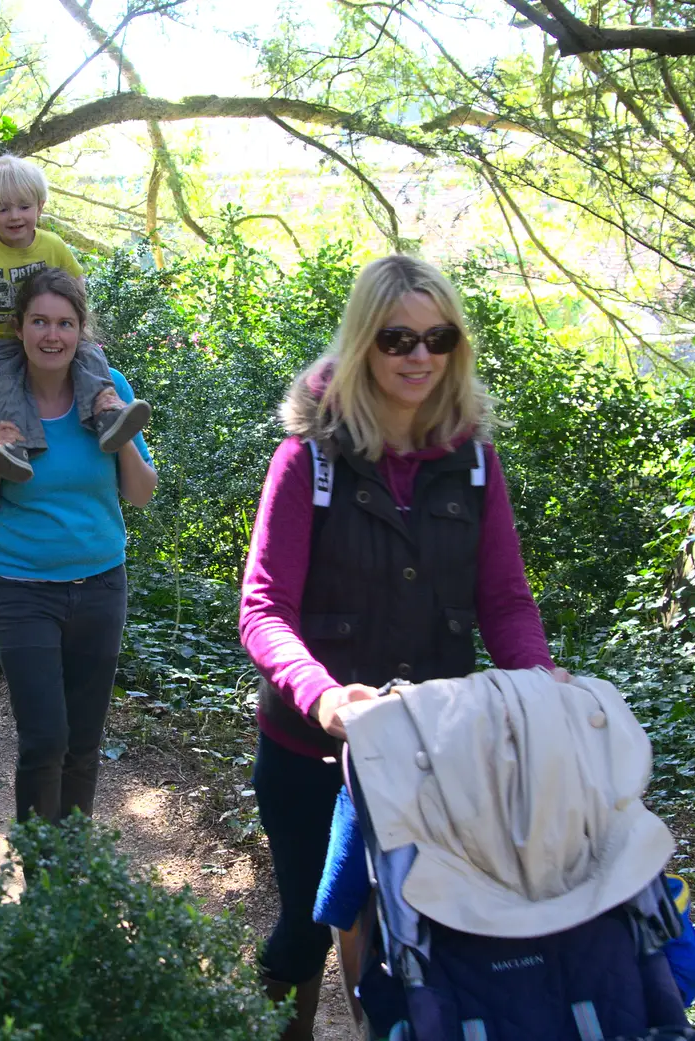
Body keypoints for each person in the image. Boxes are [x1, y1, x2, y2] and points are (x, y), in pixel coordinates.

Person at [237, 254, 566, 1039]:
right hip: (310, 752)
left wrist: (542, 687)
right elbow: (264, 606)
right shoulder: (309, 457)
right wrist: (322, 696)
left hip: (435, 746)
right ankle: (280, 1020)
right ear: (363, 343)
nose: (419, 355)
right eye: (397, 338)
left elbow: (505, 600)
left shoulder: (474, 463)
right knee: (312, 923)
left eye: (438, 336)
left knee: (426, 929)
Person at [0, 266, 157, 823]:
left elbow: (139, 494)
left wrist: (121, 445)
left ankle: (72, 875)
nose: (52, 335)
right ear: (18, 328)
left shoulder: (109, 394)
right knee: (45, 739)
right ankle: (43, 878)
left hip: (100, 583)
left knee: (84, 741)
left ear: (80, 331)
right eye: (39, 321)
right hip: (20, 586)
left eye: (65, 323)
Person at [0, 153, 149, 484]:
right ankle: (14, 444)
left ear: (40, 207)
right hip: (2, 341)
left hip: (50, 332)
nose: (15, 216)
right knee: (3, 384)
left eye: (24, 206)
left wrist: (75, 323)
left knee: (91, 356)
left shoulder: (51, 245)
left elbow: (76, 282)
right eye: (3, 208)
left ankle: (107, 413)